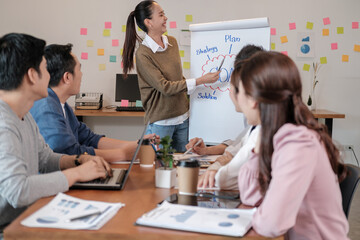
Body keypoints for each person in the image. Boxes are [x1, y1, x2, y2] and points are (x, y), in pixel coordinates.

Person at [0, 33, 112, 233]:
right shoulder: (3, 123)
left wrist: (79, 161)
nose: (50, 75)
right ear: (32, 75)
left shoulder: (24, 114)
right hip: (9, 230)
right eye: (45, 68)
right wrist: (77, 174)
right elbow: (17, 191)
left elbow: (45, 158)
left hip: (25, 216)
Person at [234, 51, 349, 239]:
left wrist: (261, 214)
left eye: (239, 91)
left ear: (253, 99)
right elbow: (249, 196)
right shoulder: (278, 135)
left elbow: (271, 224)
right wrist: (259, 143)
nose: (237, 99)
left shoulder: (299, 143)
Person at [30, 44, 158, 162]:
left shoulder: (62, 106)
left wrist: (135, 145)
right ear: (67, 77)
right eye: (79, 69)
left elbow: (89, 138)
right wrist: (122, 154)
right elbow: (68, 153)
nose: (81, 74)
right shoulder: (46, 106)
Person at [122, 0, 220, 152]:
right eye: (161, 15)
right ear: (149, 22)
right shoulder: (143, 54)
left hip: (183, 119)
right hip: (161, 123)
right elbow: (165, 87)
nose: (165, 18)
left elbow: (178, 79)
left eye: (164, 14)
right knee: (158, 169)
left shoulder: (172, 43)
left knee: (184, 165)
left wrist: (200, 89)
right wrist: (201, 80)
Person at [187, 44, 263, 190]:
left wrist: (218, 168)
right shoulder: (257, 124)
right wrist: (207, 151)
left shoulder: (265, 130)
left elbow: (230, 178)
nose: (230, 93)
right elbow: (239, 144)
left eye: (235, 86)